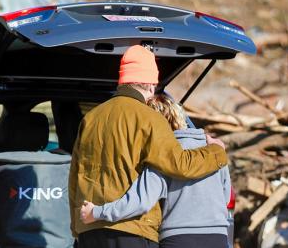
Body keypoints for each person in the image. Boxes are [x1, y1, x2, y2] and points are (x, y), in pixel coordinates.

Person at [68, 45, 228, 248]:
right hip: (132, 229)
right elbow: (179, 165)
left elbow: (75, 177)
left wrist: (77, 227)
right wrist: (217, 151)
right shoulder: (149, 118)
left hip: (90, 231)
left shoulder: (91, 118)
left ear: (122, 80)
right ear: (152, 84)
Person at [80, 94, 231, 248]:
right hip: (219, 237)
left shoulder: (162, 155)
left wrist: (96, 212)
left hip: (178, 239)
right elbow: (225, 198)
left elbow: (139, 202)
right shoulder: (214, 150)